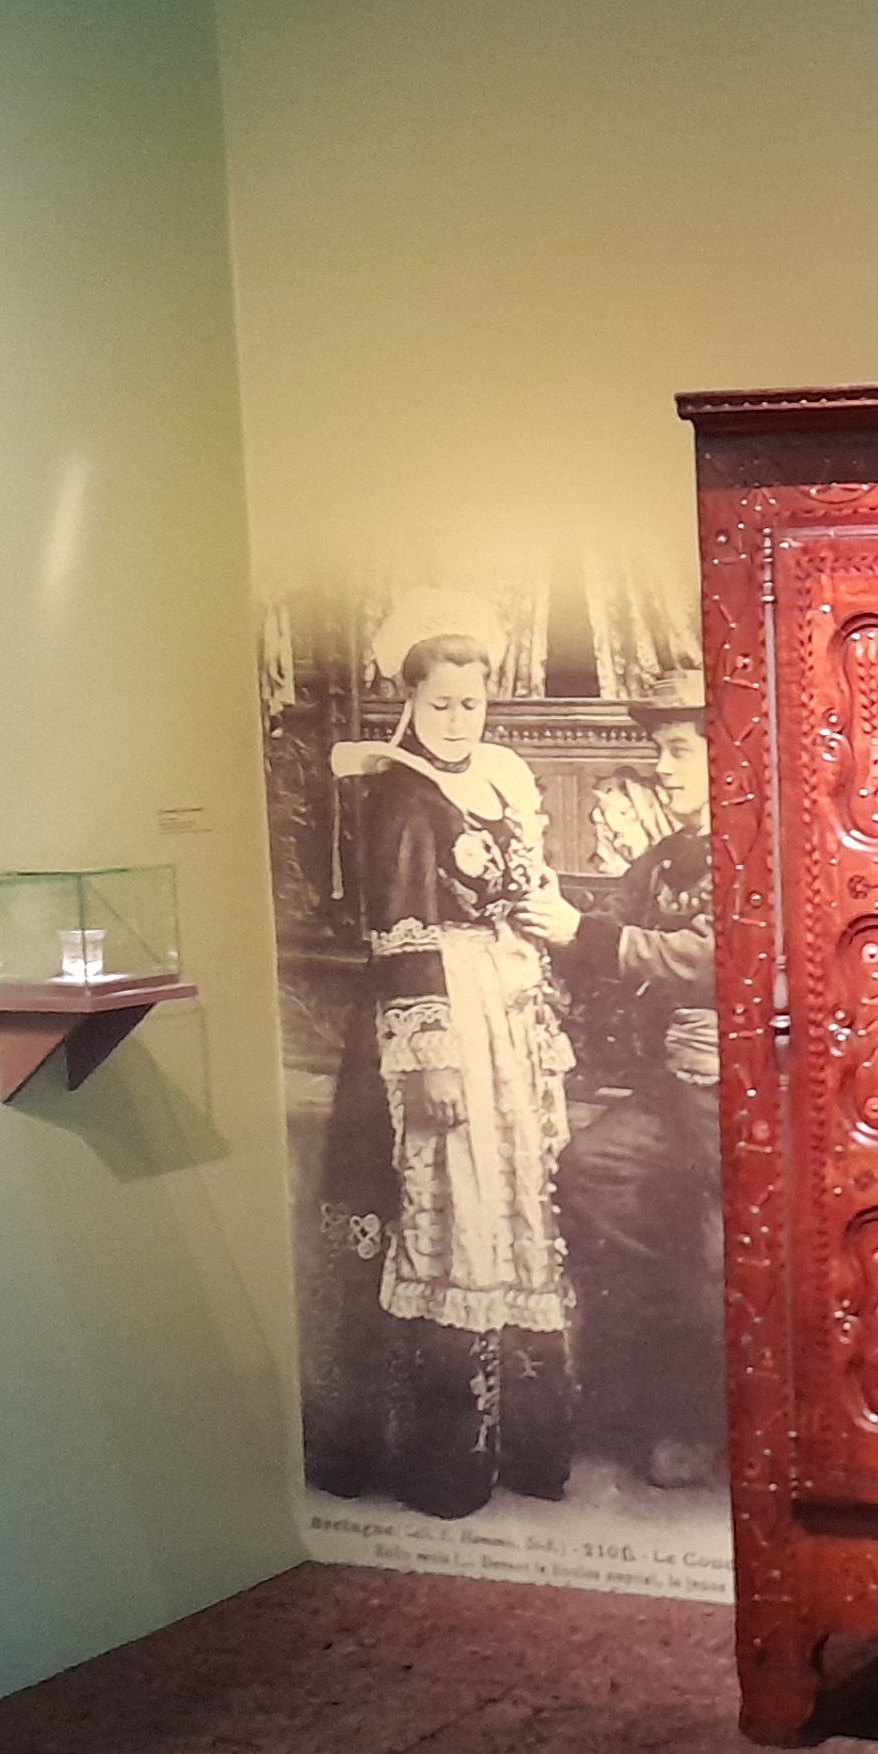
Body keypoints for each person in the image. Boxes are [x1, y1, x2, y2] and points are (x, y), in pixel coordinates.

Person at [312, 629, 577, 1514]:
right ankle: (441, 1461)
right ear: (411, 702)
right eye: (441, 704)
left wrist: (539, 915)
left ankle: (522, 1446)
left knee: (509, 1194)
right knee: (448, 1199)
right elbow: (401, 931)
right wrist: (432, 1061)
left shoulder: (498, 781)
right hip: (440, 1015)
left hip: (504, 1005)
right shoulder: (398, 794)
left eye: (472, 703)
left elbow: (521, 886)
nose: (459, 720)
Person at [514, 672, 721, 1489]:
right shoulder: (667, 857)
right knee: (591, 1168)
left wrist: (589, 936)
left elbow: (707, 959)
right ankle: (630, 1388)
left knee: (711, 1242)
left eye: (678, 751)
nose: (662, 768)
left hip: (746, 1092)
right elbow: (607, 926)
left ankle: (694, 1419)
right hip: (674, 1088)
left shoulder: (760, 844)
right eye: (658, 750)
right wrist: (549, 911)